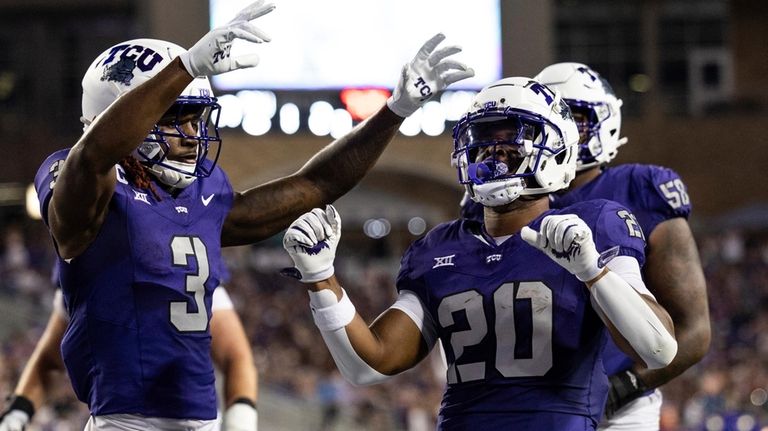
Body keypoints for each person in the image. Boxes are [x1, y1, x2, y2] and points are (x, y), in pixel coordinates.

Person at [31, 0, 475, 428]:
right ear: (119, 113)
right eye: (176, 118)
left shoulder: (201, 194)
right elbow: (92, 159)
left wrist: (392, 112)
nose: (193, 136)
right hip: (123, 421)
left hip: (203, 417)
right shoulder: (77, 179)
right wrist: (185, 68)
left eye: (197, 120)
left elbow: (314, 185)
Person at [281, 77, 678, 430]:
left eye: (510, 142)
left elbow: (658, 349)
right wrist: (321, 279)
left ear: (557, 150)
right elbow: (370, 364)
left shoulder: (593, 225)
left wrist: (594, 272)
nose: (493, 153)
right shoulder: (440, 248)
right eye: (483, 141)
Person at [530, 62, 711, 430]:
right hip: (529, 402)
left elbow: (694, 330)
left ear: (604, 122)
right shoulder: (504, 203)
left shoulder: (640, 189)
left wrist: (623, 388)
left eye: (574, 119)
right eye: (548, 121)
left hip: (618, 407)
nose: (561, 132)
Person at [0, 286, 257, 431]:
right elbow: (49, 360)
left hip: (188, 419)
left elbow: (236, 355)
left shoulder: (188, 253)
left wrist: (240, 420)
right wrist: (18, 413)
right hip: (117, 420)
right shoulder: (84, 260)